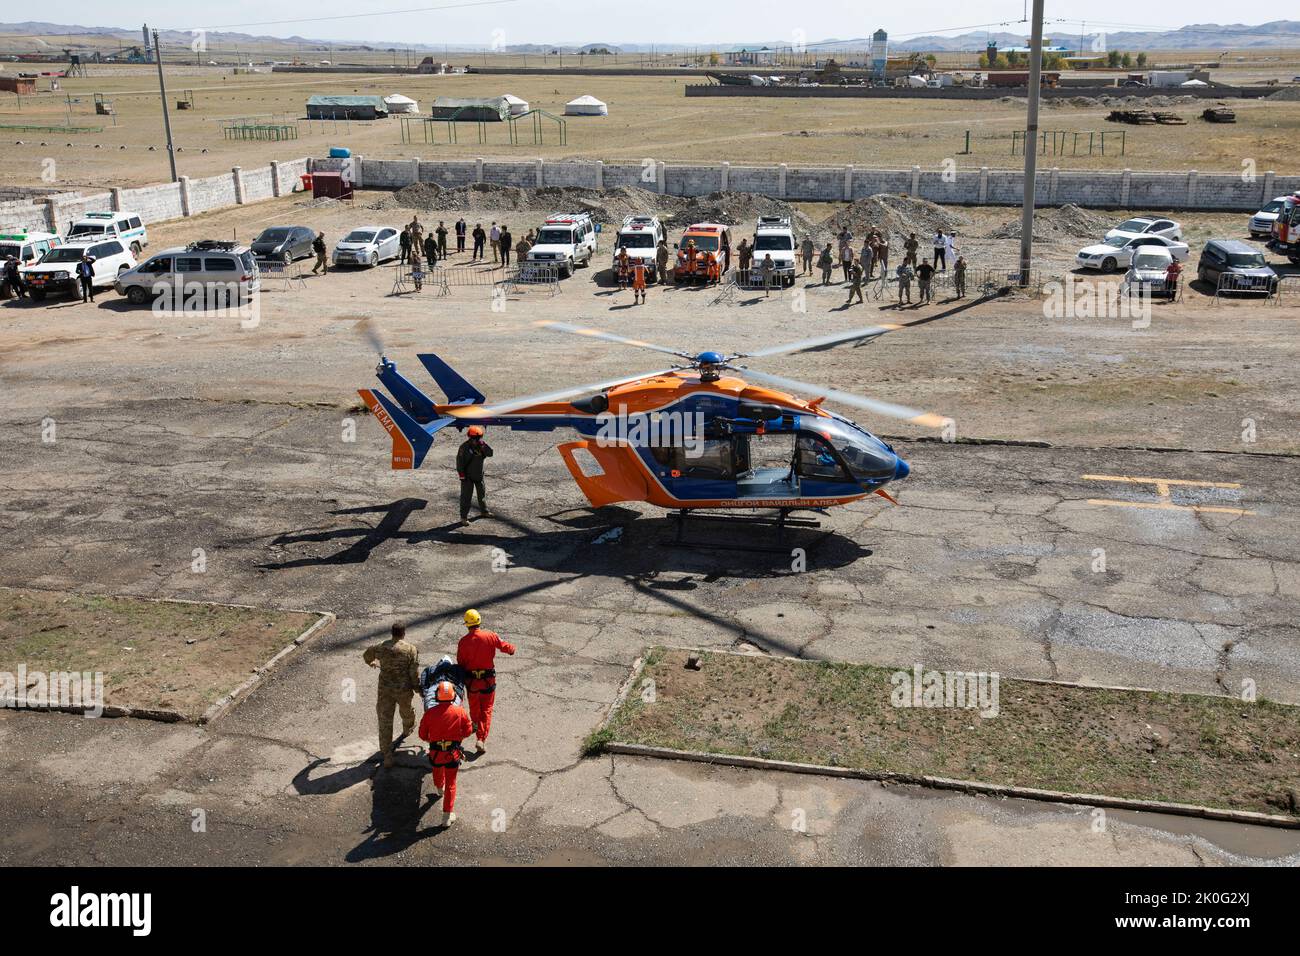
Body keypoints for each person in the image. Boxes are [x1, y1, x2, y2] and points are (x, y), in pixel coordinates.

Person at [456, 608, 516, 754]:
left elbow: (460, 662)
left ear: (467, 624)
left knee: (475, 708)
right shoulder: (490, 636)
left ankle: (475, 725)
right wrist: (512, 649)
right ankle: (481, 738)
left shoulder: (463, 642)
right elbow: (506, 647)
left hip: (472, 683)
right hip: (488, 681)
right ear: (479, 621)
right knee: (487, 710)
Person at [363, 621, 420, 769]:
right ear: (403, 633)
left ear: (392, 632)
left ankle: (387, 755)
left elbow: (367, 656)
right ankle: (408, 727)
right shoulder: (410, 649)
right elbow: (413, 673)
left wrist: (372, 663)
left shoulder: (381, 646)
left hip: (385, 691)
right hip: (404, 690)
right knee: (406, 711)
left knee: (385, 721)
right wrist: (417, 687)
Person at [418, 679, 472, 828]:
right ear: (454, 696)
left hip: (436, 753)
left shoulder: (430, 714)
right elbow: (467, 731)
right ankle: (447, 816)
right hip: (452, 754)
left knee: (437, 769)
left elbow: (422, 735)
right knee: (452, 784)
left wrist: (433, 739)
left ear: (437, 695)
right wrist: (457, 737)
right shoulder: (460, 712)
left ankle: (438, 788)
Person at [456, 425, 493, 526]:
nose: (475, 440)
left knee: (482, 496)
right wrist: (462, 475)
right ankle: (463, 517)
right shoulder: (463, 447)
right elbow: (459, 462)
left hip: (479, 475)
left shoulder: (481, 446)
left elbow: (490, 453)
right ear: (469, 437)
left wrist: (483, 445)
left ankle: (484, 511)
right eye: (474, 438)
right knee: (466, 498)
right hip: (467, 478)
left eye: (478, 438)